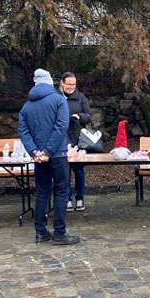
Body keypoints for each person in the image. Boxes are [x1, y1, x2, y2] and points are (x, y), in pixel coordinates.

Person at [19, 69, 80, 246]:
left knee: (42, 192)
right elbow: (61, 126)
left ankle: (40, 232)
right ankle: (59, 233)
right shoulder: (59, 100)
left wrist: (35, 152)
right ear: (50, 82)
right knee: (61, 191)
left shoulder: (26, 107)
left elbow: (23, 132)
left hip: (39, 157)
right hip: (57, 154)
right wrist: (48, 151)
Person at [60, 72, 91, 212]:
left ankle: (80, 198)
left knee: (78, 170)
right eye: (69, 84)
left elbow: (88, 115)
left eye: (74, 84)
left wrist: (79, 116)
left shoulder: (80, 97)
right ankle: (66, 199)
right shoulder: (57, 97)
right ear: (62, 83)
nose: (71, 87)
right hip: (62, 138)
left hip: (78, 139)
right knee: (64, 170)